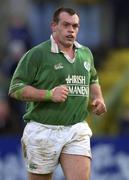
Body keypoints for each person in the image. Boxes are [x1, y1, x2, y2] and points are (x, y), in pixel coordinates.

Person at [9, 7, 106, 180]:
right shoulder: (37, 54)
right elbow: (15, 88)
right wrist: (48, 95)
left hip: (76, 128)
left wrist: (98, 97)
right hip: (43, 130)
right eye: (66, 25)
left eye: (75, 26)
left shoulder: (85, 53)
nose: (71, 30)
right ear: (54, 26)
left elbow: (93, 79)